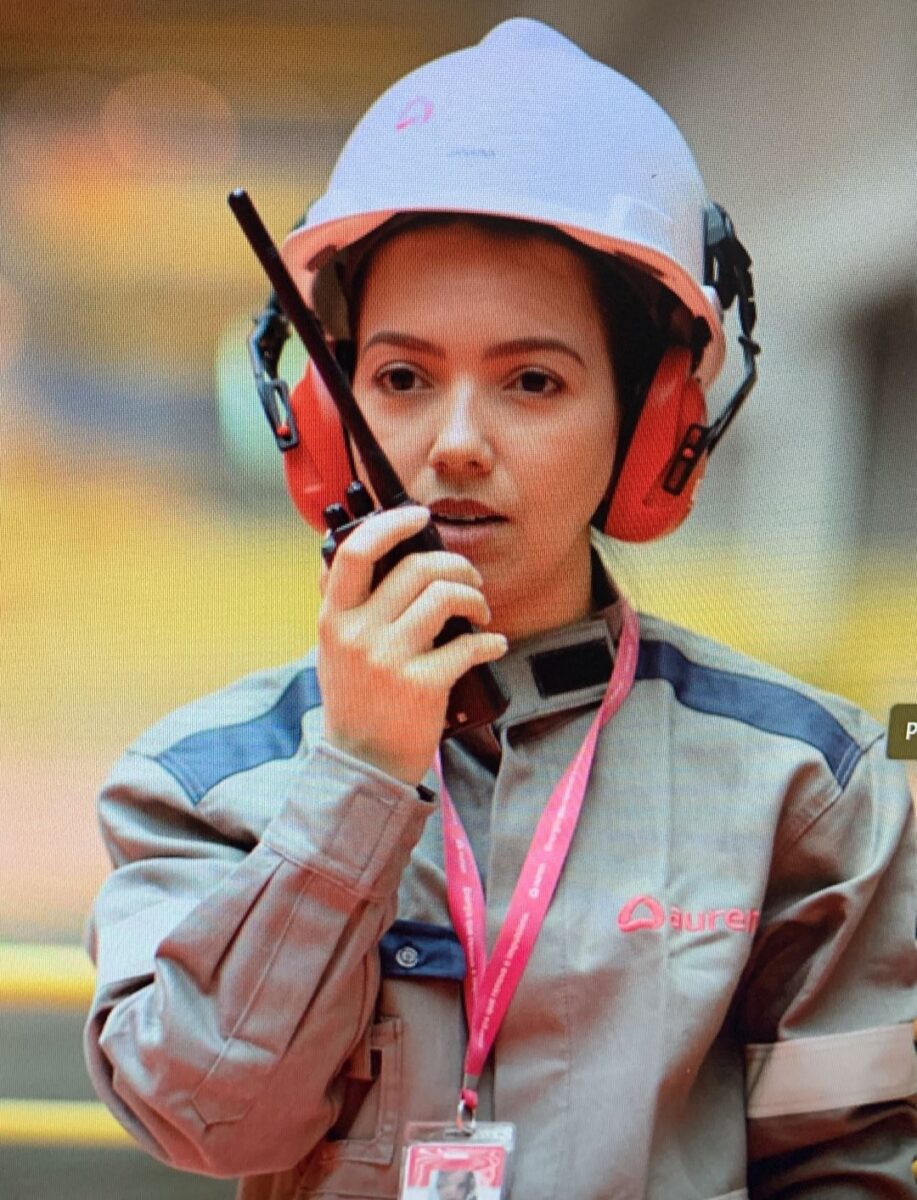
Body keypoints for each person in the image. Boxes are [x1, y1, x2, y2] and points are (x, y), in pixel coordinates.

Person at [83, 17, 916, 1200]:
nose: (456, 444)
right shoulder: (200, 784)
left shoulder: (805, 788)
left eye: (532, 380)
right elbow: (209, 1123)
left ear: (653, 424)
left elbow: (847, 1166)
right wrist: (357, 779)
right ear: (325, 418)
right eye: (402, 379)